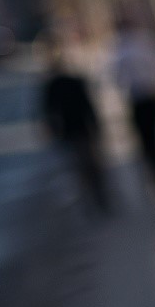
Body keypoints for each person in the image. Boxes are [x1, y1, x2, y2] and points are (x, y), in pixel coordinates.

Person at [107, 15, 155, 195]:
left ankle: (154, 172)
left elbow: (115, 79)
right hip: (151, 97)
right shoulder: (144, 44)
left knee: (145, 139)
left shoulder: (118, 51)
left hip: (136, 99)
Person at [40, 44, 110, 214]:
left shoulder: (57, 85)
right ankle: (97, 199)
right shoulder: (58, 85)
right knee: (88, 166)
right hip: (76, 130)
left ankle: (97, 199)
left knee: (85, 167)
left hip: (75, 131)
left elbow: (49, 112)